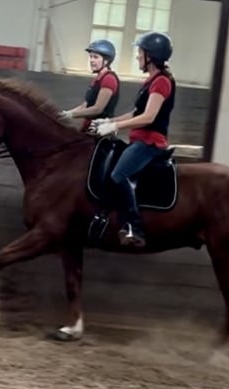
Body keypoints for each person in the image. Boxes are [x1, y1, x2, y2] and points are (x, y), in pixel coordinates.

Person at [92, 31, 176, 248]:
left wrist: (115, 127)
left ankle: (134, 227)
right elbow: (135, 113)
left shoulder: (162, 82)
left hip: (150, 142)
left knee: (119, 175)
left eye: (140, 52)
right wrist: (108, 122)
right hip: (139, 138)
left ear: (150, 55)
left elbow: (149, 117)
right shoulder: (151, 81)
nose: (137, 57)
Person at [59, 39, 120, 132]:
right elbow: (85, 105)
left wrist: (72, 115)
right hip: (88, 126)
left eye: (96, 57)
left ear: (106, 61)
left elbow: (97, 109)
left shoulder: (109, 79)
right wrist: (67, 113)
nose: (91, 60)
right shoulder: (98, 79)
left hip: (100, 128)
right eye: (90, 57)